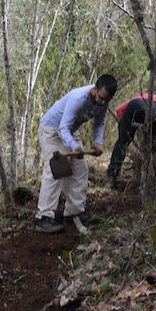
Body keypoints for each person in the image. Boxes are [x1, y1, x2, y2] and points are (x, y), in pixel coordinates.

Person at [34, 74, 117, 234]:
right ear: (95, 89)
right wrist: (73, 146)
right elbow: (62, 128)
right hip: (52, 129)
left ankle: (73, 213)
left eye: (105, 100)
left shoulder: (104, 102)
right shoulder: (78, 98)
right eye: (100, 97)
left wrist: (98, 142)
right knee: (56, 168)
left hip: (70, 131)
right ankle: (44, 217)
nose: (102, 102)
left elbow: (99, 124)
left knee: (80, 168)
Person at [107, 90, 156, 186]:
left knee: (122, 142)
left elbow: (119, 110)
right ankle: (154, 179)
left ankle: (112, 175)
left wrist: (123, 128)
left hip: (133, 107)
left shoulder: (137, 97)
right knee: (154, 146)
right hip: (154, 111)